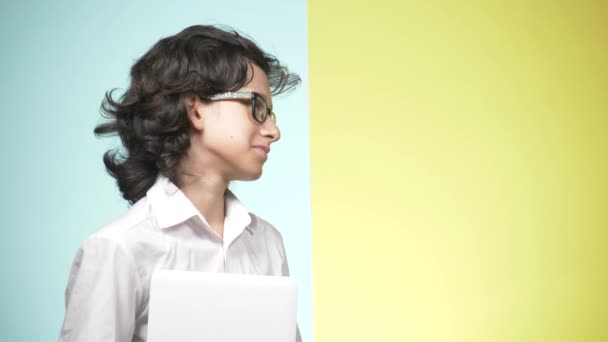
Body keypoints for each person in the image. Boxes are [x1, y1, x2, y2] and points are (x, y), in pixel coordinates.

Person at [58, 25, 302, 342]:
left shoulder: (267, 243)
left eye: (271, 113)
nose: (274, 131)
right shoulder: (119, 248)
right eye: (256, 107)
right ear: (195, 109)